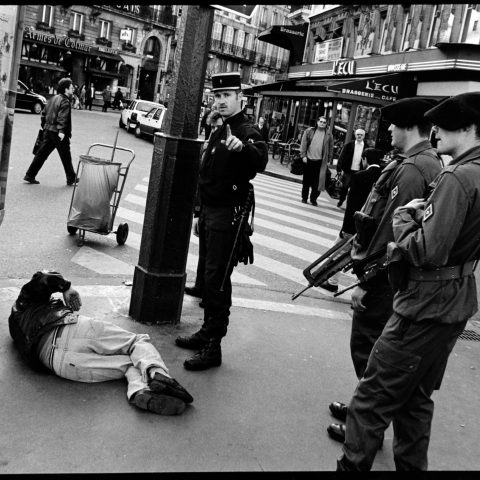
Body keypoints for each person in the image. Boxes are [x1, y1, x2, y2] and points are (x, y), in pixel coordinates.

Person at [337, 91, 480, 471]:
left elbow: (426, 250)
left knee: (369, 400)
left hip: (424, 304)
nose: (436, 132)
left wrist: (404, 218)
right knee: (415, 401)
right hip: (454, 300)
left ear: (469, 128)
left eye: (445, 124)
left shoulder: (458, 176)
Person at [326, 97, 443, 444]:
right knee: (376, 353)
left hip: (386, 278)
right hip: (396, 276)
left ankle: (366, 425)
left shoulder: (411, 170)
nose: (388, 130)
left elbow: (390, 234)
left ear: (407, 126)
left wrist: (365, 280)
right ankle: (364, 410)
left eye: (392, 124)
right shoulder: (424, 162)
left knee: (370, 350)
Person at [175, 71, 268, 371]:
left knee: (217, 280)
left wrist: (244, 149)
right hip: (213, 213)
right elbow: (206, 173)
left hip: (230, 214)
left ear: (240, 96)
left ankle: (213, 345)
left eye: (226, 95)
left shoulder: (246, 129)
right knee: (209, 277)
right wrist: (199, 213)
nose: (221, 101)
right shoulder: (219, 127)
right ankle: (207, 332)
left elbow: (260, 159)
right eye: (217, 96)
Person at [9, 270, 193, 416]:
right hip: (67, 330)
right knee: (136, 342)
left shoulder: (18, 328)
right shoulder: (24, 301)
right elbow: (44, 277)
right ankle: (157, 373)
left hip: (60, 365)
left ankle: (141, 392)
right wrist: (66, 288)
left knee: (129, 364)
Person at [185, 110, 224, 306]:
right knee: (204, 250)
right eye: (212, 127)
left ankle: (208, 293)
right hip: (204, 203)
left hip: (217, 206)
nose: (214, 130)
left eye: (218, 127)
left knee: (213, 256)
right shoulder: (209, 144)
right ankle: (200, 286)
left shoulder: (223, 146)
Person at [24, 77, 78, 186]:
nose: (73, 89)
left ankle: (30, 174)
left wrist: (45, 126)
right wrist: (62, 131)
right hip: (58, 133)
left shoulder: (53, 98)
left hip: (48, 130)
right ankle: (71, 178)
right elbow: (62, 117)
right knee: (66, 156)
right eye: (71, 87)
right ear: (66, 89)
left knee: (41, 154)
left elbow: (43, 114)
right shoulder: (65, 101)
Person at [340, 148, 384, 236]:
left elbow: (351, 205)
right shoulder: (383, 176)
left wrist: (345, 228)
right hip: (374, 225)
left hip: (356, 222)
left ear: (365, 159)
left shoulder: (359, 176)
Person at [300, 116, 334, 206]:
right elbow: (303, 143)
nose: (322, 123)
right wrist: (303, 156)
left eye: (324, 122)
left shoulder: (329, 134)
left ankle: (313, 199)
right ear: (317, 122)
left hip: (320, 162)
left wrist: (329, 159)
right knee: (306, 181)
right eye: (321, 121)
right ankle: (304, 198)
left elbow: (331, 147)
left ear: (326, 124)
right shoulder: (309, 131)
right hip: (308, 160)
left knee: (317, 183)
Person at [336, 129, 366, 208]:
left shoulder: (366, 147)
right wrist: (339, 169)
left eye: (361, 135)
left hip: (359, 172)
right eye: (358, 134)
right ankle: (341, 200)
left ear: (364, 136)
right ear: (355, 135)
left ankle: (350, 205)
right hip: (348, 170)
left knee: (354, 190)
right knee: (345, 187)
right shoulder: (349, 145)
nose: (359, 136)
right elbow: (341, 157)